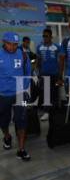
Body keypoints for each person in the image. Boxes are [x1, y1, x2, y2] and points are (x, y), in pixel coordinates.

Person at [0, 32, 31, 161]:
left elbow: (28, 71)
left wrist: (24, 86)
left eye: (15, 45)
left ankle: (21, 149)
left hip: (20, 94)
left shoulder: (23, 54)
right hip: (3, 95)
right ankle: (7, 136)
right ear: (3, 42)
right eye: (9, 44)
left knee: (22, 119)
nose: (12, 47)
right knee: (3, 120)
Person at [36, 28, 60, 121]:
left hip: (55, 74)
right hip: (44, 74)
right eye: (43, 36)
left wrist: (60, 75)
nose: (45, 38)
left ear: (51, 37)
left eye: (46, 36)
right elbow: (38, 60)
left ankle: (53, 112)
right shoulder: (39, 47)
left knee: (54, 94)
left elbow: (60, 62)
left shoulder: (57, 47)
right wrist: (38, 72)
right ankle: (46, 112)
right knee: (46, 94)